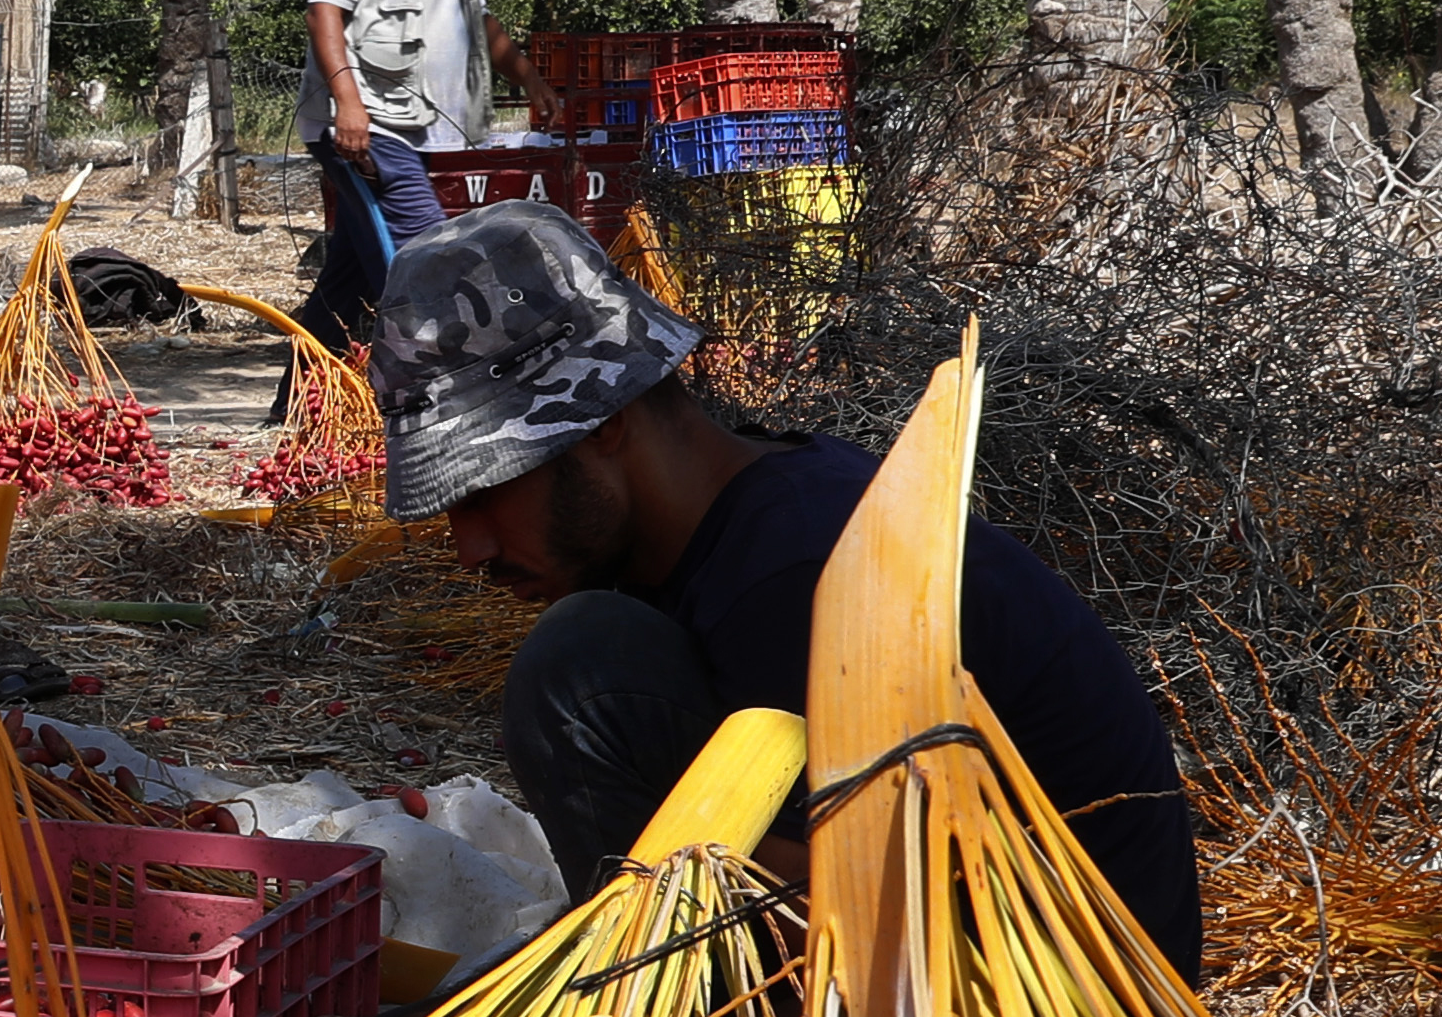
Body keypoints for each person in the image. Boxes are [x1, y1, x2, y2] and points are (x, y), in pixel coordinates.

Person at [379, 201, 1201, 974]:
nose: (469, 550)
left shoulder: (799, 575)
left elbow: (833, 916)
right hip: (956, 976)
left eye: (486, 492)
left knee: (576, 673)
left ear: (602, 421)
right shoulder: (763, 515)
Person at [288, 0, 530, 381]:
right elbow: (323, 12)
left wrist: (532, 81)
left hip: (419, 128)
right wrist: (348, 104)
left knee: (350, 270)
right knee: (423, 259)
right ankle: (443, 388)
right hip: (369, 125)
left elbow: (479, 20)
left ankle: (295, 401)